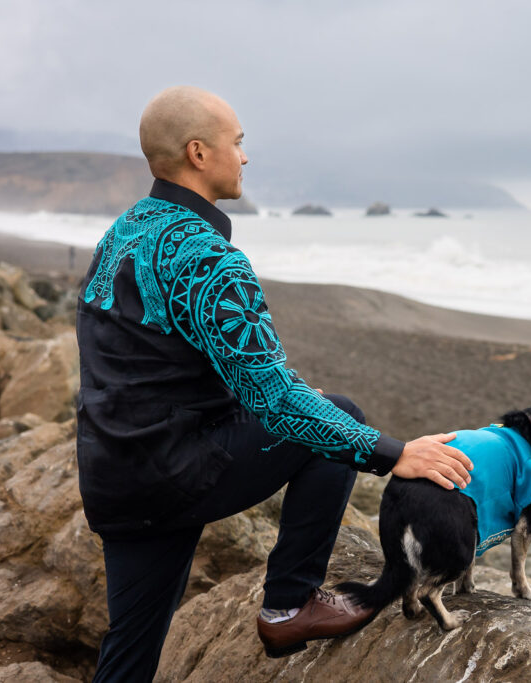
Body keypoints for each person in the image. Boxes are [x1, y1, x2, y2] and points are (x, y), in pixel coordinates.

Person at [76, 85, 474, 681]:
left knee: (130, 647)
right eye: (237, 143)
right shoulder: (209, 259)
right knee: (336, 413)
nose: (245, 156)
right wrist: (396, 454)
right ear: (198, 153)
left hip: (114, 475)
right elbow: (279, 403)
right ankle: (288, 605)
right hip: (174, 470)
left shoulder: (123, 234)